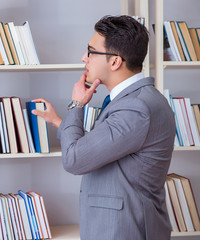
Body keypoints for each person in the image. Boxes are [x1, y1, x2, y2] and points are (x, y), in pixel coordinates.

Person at [32, 15, 176, 240]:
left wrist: (77, 104)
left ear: (115, 61)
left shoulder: (134, 107)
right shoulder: (138, 99)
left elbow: (75, 159)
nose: (84, 58)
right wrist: (59, 122)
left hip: (123, 230)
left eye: (90, 51)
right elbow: (105, 147)